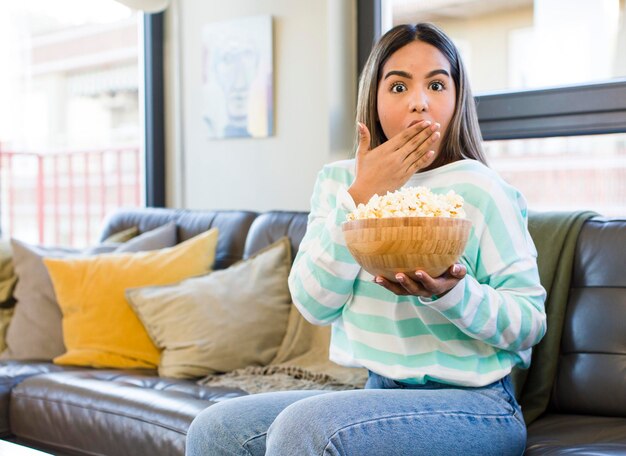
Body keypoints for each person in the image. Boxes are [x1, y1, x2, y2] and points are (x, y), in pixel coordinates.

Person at [186, 22, 547, 456]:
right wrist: (360, 197)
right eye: (398, 87)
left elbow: (529, 323)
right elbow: (314, 304)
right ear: (373, 100)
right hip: (375, 392)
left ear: (456, 99)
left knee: (306, 429)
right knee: (214, 428)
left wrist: (453, 292)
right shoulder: (340, 183)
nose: (419, 102)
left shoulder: (482, 189)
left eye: (436, 84)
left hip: (478, 404)